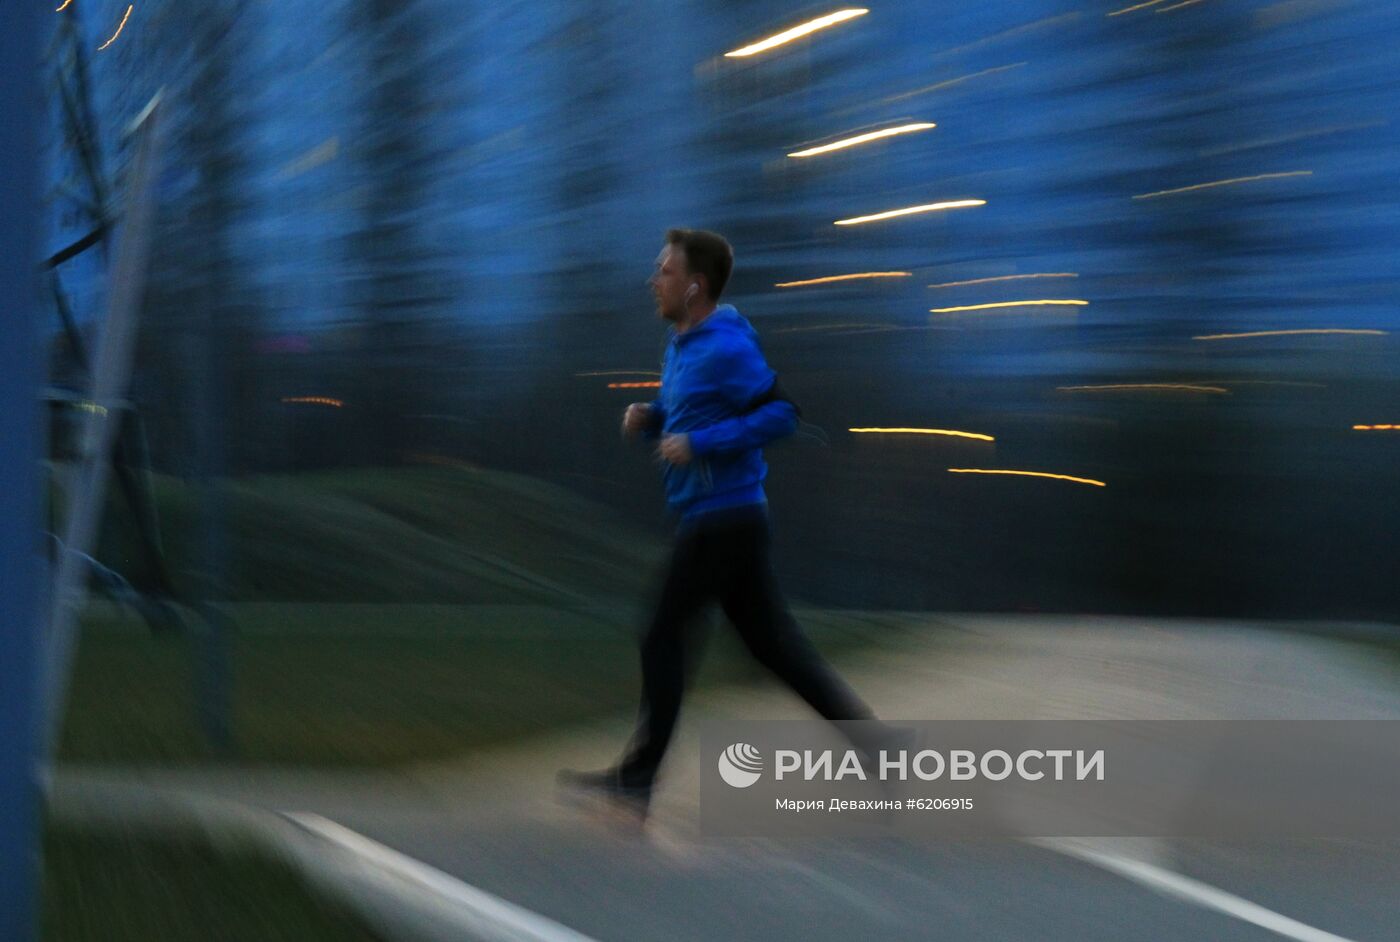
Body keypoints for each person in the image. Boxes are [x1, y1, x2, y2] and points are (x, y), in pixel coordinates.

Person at [559, 228, 880, 817]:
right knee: (774, 650)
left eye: (665, 272)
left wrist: (700, 443)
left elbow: (783, 415)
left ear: (694, 286)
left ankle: (638, 780)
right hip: (723, 518)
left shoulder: (727, 346)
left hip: (725, 518)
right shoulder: (681, 345)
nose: (653, 280)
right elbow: (691, 414)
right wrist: (652, 419)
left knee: (661, 632)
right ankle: (881, 756)